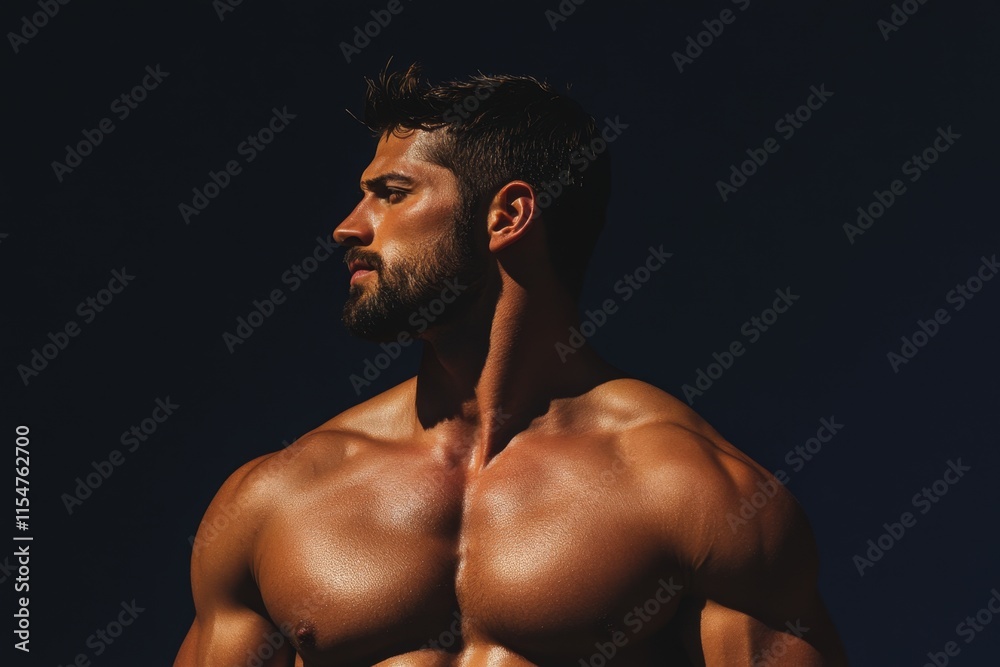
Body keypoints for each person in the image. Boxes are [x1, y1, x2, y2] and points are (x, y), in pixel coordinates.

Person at [175, 63, 848, 666]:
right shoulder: (275, 497)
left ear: (507, 215)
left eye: (393, 192)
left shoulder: (696, 495)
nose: (351, 226)